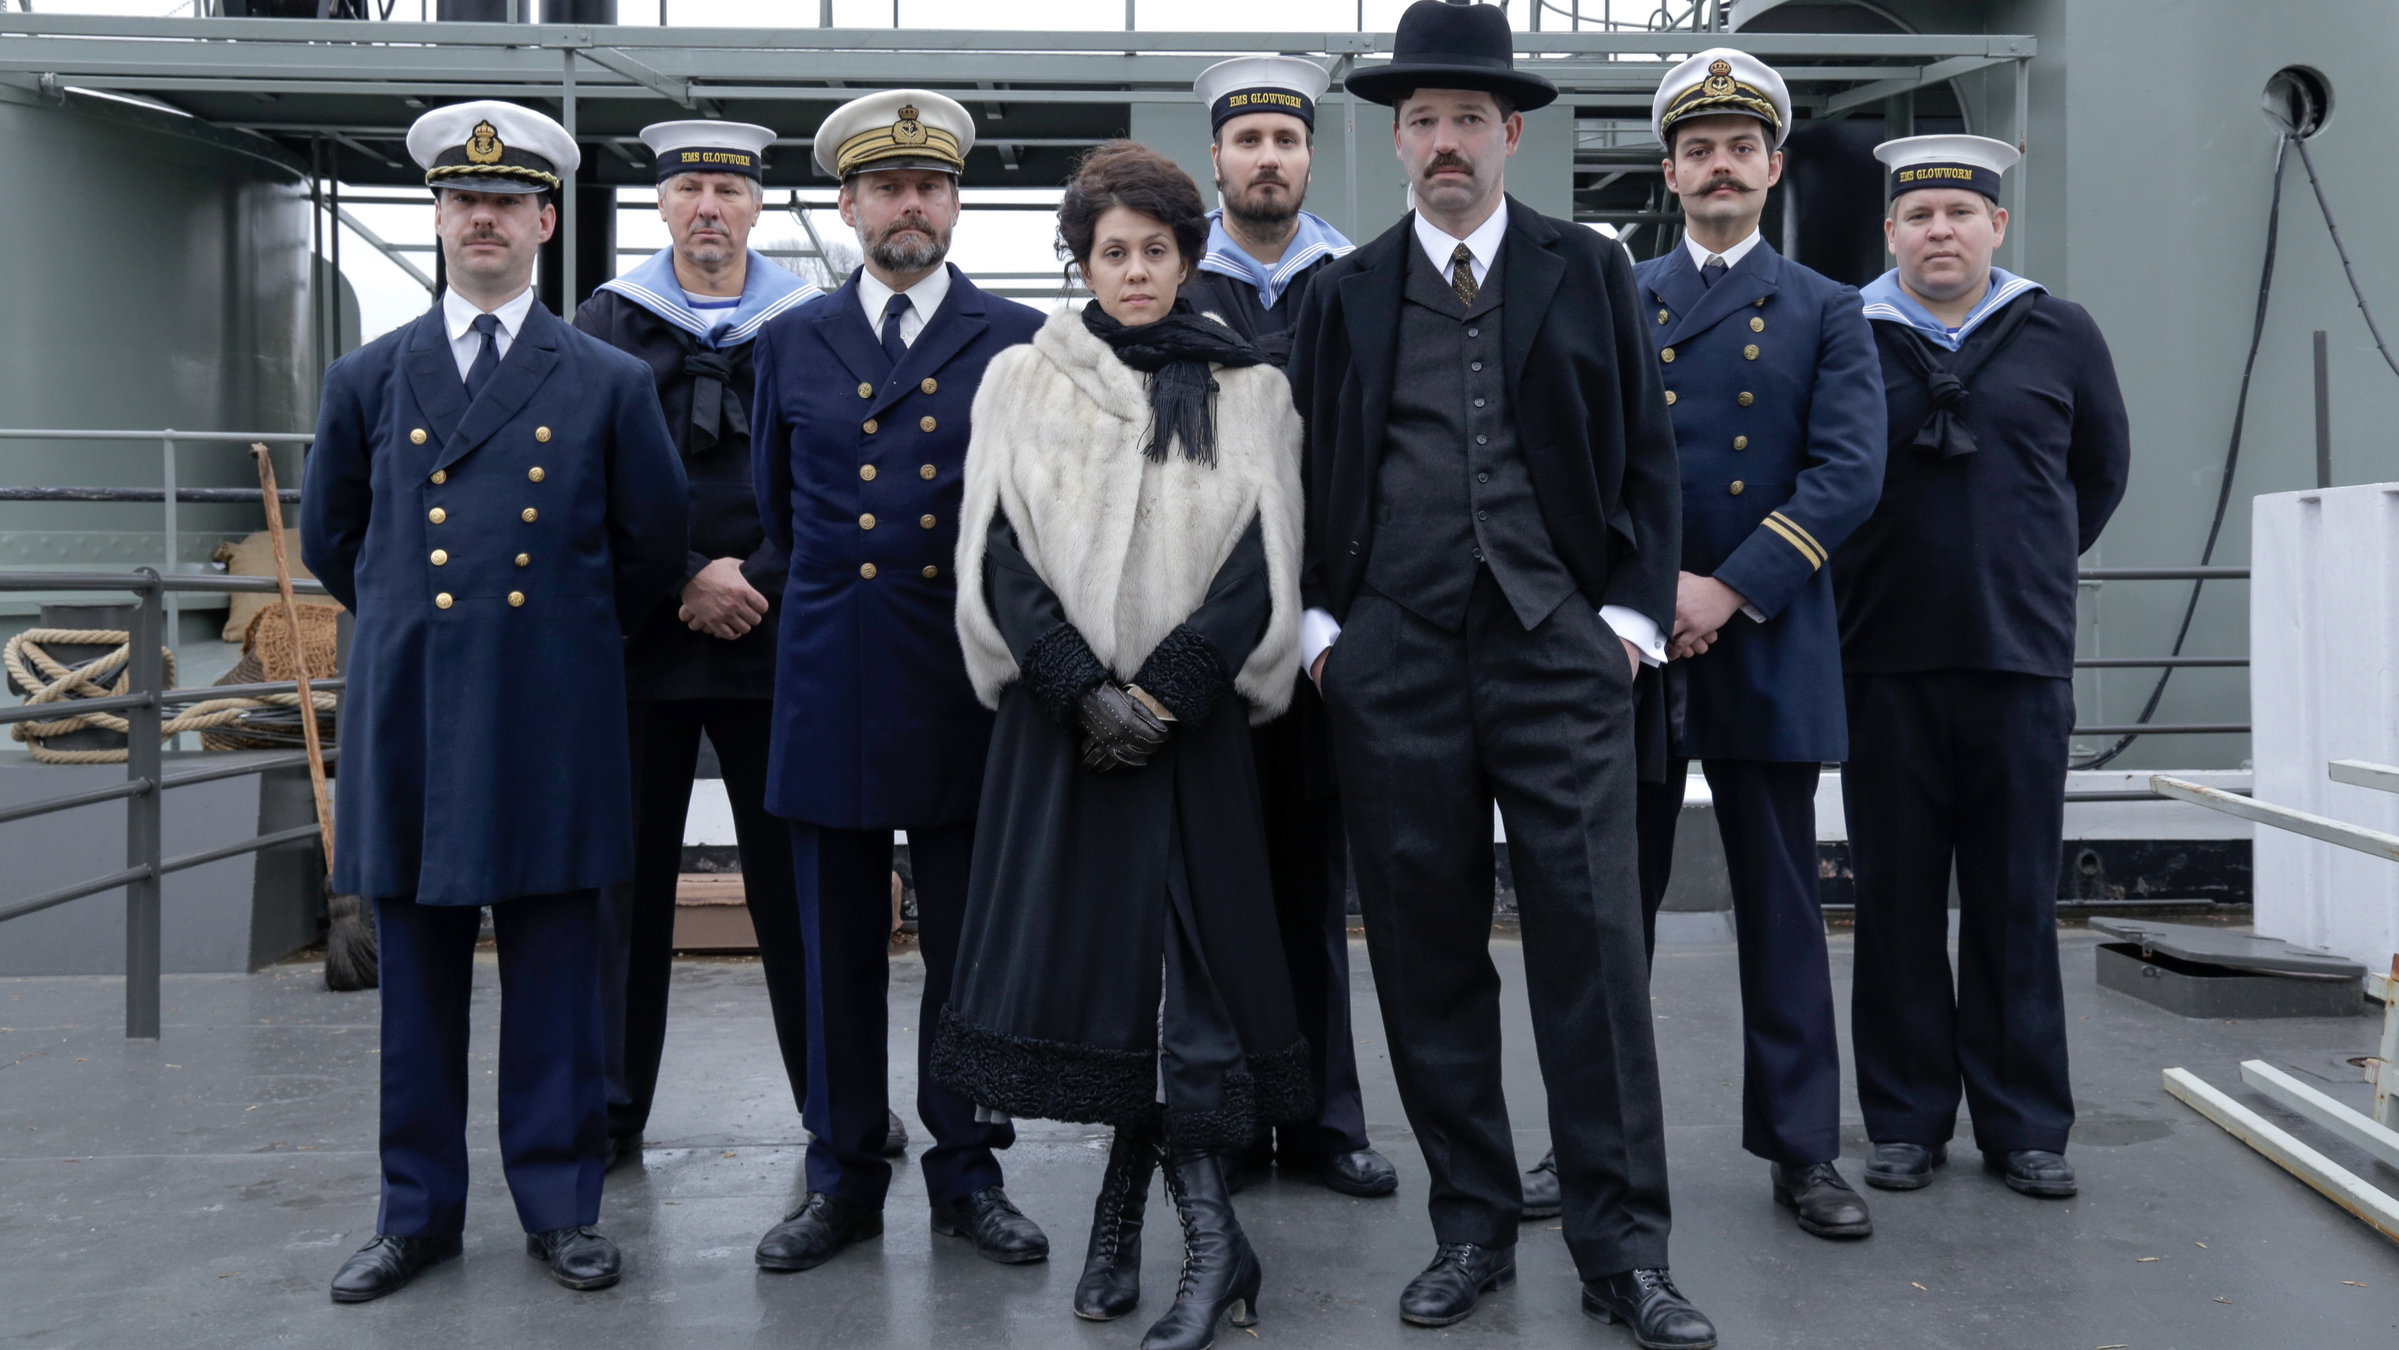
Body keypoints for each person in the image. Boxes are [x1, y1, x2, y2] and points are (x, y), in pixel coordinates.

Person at [1286, 4, 1714, 1344]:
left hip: (1556, 653)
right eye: (1421, 120)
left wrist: (1627, 627)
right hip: (1393, 657)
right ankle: (1468, 1224)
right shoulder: (1339, 294)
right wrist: (1320, 636)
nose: (1444, 140)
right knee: (1422, 954)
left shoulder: (1588, 269)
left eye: (1468, 117)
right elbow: (1293, 481)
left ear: (1510, 133)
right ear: (1397, 140)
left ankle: (1619, 1249)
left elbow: (1648, 456)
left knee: (1588, 951)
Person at [305, 99, 688, 1303]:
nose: (482, 218)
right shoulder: (367, 377)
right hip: (414, 708)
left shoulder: (607, 379)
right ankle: (415, 1213)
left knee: (559, 970)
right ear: (436, 215)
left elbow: (652, 544)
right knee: (414, 974)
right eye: (462, 201)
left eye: (506, 202)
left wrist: (563, 646)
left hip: (551, 708)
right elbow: (334, 541)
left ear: (544, 220)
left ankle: (561, 1205)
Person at [932, 140, 1312, 1350]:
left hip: (1188, 740)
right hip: (1064, 734)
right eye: (1114, 253)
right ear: (1080, 261)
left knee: (1182, 981)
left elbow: (1268, 564)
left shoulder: (1250, 387)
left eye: (1156, 251)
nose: (1136, 272)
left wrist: (1173, 689)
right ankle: (1121, 1216)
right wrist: (1076, 685)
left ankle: (1201, 1241)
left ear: (1188, 258)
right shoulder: (1018, 380)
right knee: (1111, 986)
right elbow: (994, 549)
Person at [745, 89, 1049, 1274]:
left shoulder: (1017, 337)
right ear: (848, 204)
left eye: (928, 186)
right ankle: (840, 1178)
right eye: (885, 187)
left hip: (963, 672)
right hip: (829, 670)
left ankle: (968, 1172)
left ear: (956, 204)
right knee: (831, 948)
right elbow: (777, 510)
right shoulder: (787, 341)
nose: (907, 206)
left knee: (969, 946)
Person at [571, 118, 872, 1174]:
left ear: (755, 205)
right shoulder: (605, 322)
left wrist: (756, 580)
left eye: (729, 191)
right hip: (642, 645)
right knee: (625, 890)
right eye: (691, 188)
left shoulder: (811, 320)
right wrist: (683, 574)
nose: (709, 207)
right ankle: (608, 1111)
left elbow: (837, 476)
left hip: (778, 645)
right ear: (662, 202)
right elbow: (584, 479)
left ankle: (838, 1108)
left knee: (802, 893)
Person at [1620, 48, 1887, 1240]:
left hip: (1762, 633)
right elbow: (1582, 464)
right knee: (1604, 911)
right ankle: (1594, 1140)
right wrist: (1646, 591)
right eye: (1696, 149)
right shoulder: (1617, 295)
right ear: (1669, 172)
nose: (1717, 166)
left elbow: (1846, 474)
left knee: (1779, 910)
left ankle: (1799, 1150)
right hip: (1630, 641)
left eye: (1738, 147)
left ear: (1771, 167)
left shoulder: (1830, 309)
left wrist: (1726, 589)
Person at [1836, 134, 2129, 1201]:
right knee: (1895, 900)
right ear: (1890, 233)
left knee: (2013, 902)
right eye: (1917, 217)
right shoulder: (1847, 333)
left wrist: (2026, 564)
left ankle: (2021, 1124)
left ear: (1995, 226)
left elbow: (2098, 473)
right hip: (1881, 660)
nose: (1939, 231)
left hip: (2016, 661)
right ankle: (1905, 1119)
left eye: (1959, 212)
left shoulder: (2059, 334)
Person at [1180, 54, 1394, 1202]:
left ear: (1311, 155)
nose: (1268, 158)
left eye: (1286, 140)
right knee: (1210, 886)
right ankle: (1217, 1120)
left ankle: (1318, 1121)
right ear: (1213, 155)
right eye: (1247, 139)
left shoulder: (1358, 282)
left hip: (1320, 634)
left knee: (1314, 888)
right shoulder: (1166, 283)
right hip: (1200, 637)